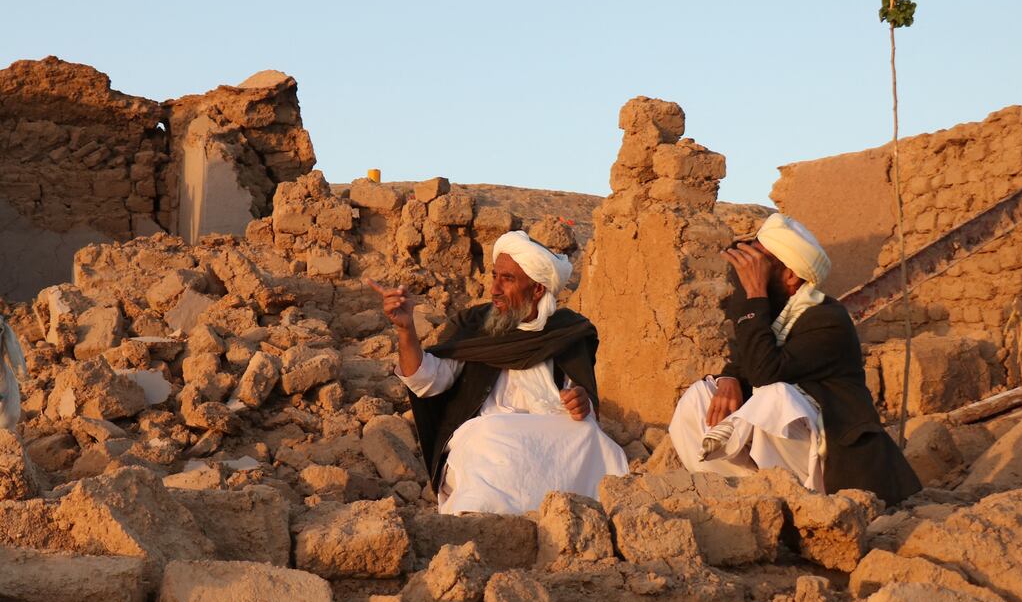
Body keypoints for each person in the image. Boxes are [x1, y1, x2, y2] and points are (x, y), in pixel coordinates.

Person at [669, 213, 922, 506]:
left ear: (790, 276)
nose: (751, 270)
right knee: (699, 396)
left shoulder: (827, 318)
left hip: (834, 460)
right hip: (792, 449)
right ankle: (743, 495)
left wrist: (754, 294)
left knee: (775, 398)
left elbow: (766, 371)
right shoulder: (775, 311)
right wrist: (729, 378)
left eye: (761, 262)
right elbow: (748, 356)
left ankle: (797, 502)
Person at [369, 230, 628, 514]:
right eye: (494, 276)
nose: (494, 289)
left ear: (537, 289)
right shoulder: (474, 325)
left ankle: (567, 511)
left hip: (547, 439)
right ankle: (482, 516)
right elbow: (426, 382)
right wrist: (406, 330)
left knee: (588, 435)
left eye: (507, 279)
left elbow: (583, 401)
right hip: (490, 444)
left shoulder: (566, 331)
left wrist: (583, 404)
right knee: (490, 434)